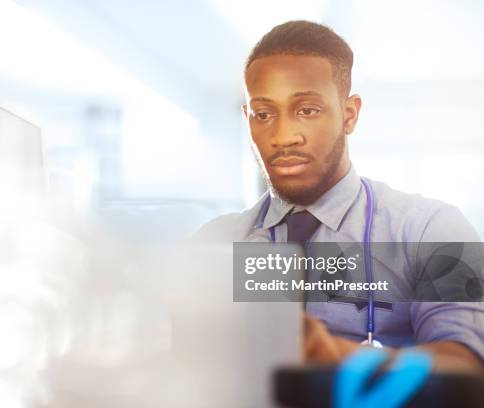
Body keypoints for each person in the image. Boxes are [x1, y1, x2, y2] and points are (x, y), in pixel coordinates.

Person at [194, 20, 483, 370]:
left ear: (349, 114)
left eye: (307, 110)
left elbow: (469, 370)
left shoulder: (431, 230)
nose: (283, 136)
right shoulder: (213, 244)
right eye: (264, 114)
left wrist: (339, 356)